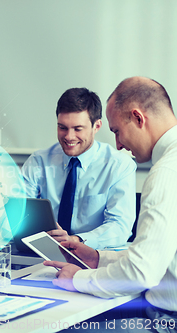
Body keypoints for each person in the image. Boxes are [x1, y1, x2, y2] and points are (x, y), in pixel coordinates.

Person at [45, 77, 177, 331]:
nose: (118, 144)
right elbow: (160, 254)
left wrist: (78, 279)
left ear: (138, 118)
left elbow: (142, 272)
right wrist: (98, 258)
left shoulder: (166, 173)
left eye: (117, 131)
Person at [21, 88, 137, 249]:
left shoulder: (119, 165)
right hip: (44, 253)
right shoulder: (38, 161)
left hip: (95, 258)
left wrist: (76, 240)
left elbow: (120, 227)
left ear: (96, 126)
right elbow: (16, 213)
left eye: (77, 129)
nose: (69, 137)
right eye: (62, 127)